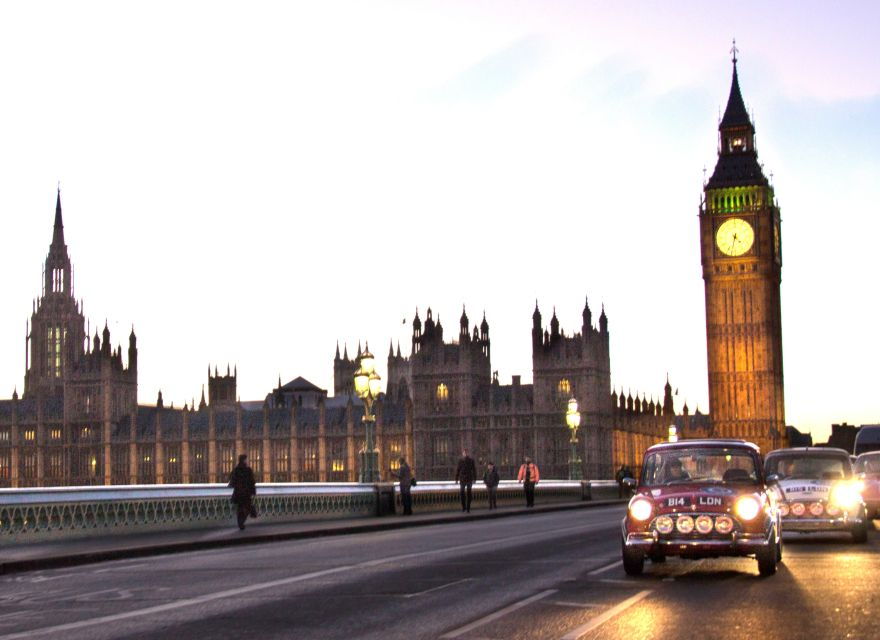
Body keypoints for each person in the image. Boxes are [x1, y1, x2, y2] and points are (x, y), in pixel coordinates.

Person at [228, 454, 256, 530]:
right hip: (246, 493)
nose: (248, 460)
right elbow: (252, 482)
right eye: (247, 459)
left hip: (238, 493)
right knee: (247, 507)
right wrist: (253, 492)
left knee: (240, 508)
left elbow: (231, 480)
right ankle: (241, 522)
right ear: (244, 460)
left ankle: (240, 522)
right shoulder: (248, 470)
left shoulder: (236, 469)